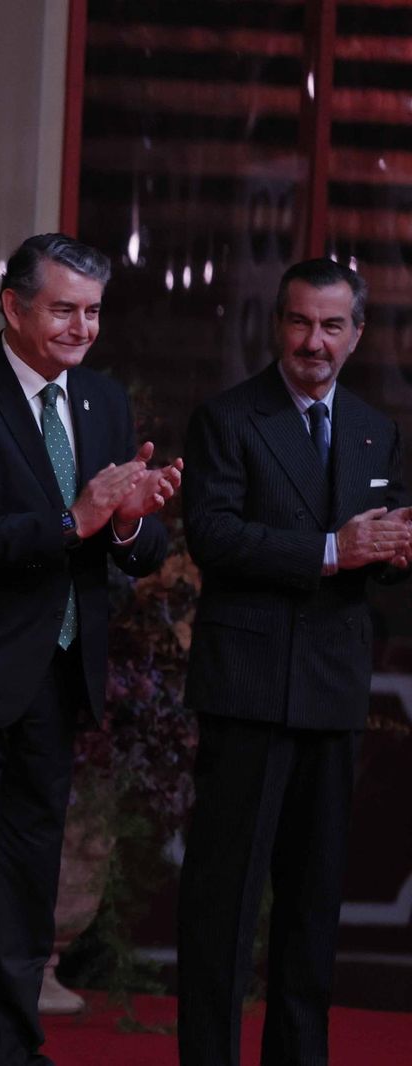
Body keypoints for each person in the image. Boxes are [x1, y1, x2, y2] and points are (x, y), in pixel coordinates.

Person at [0, 234, 177, 1066]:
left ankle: (13, 1047)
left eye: (93, 312)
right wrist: (74, 524)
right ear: (13, 306)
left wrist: (131, 521)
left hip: (60, 679)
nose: (80, 328)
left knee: (30, 880)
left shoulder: (100, 400)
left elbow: (134, 542)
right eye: (63, 309)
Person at [177, 258, 411, 1066]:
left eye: (332, 326)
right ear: (278, 324)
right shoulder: (228, 418)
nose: (315, 341)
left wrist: (394, 550)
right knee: (225, 905)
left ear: (357, 335)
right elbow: (212, 535)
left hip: (334, 695)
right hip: (248, 694)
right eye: (301, 323)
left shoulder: (378, 429)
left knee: (313, 910)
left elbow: (378, 553)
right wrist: (330, 550)